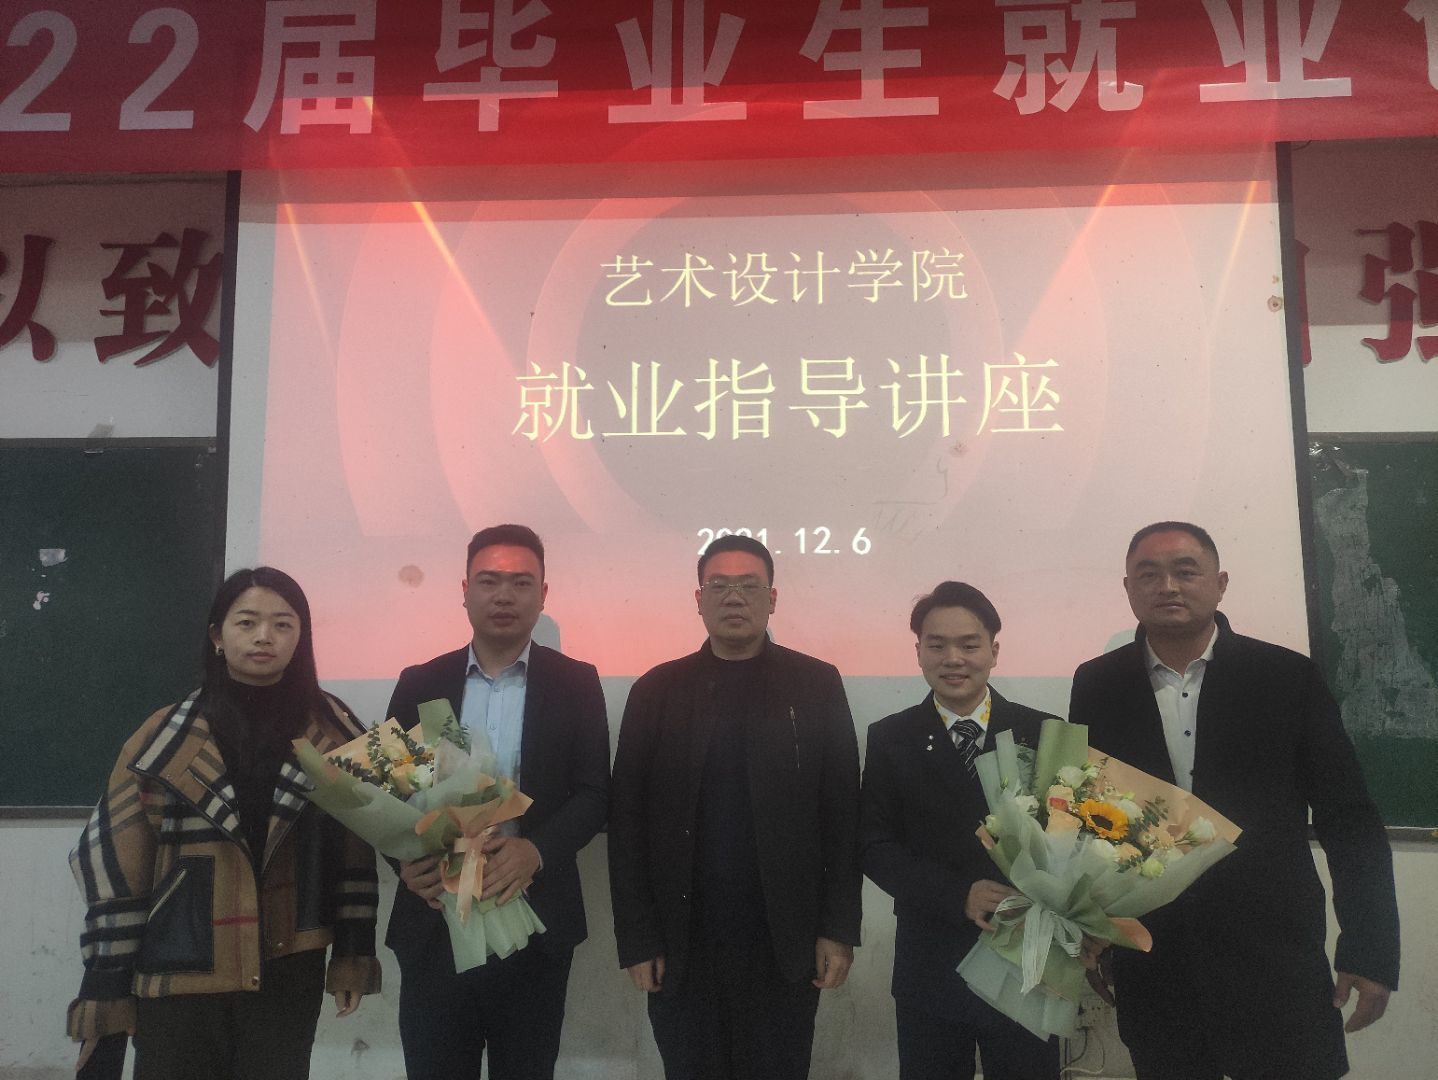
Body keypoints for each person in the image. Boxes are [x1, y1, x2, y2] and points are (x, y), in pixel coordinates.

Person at [1068, 521, 1400, 1080]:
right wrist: (1090, 928)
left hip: (1272, 951)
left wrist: (1369, 948)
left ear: (1220, 584)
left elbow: (1348, 818)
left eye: (1185, 571)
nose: (1167, 586)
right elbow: (1087, 818)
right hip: (1154, 957)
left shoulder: (1286, 676)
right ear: (1127, 588)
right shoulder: (1097, 683)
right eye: (1148, 574)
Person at [67, 567, 381, 1080]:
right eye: (247, 622)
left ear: (301, 637)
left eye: (283, 624)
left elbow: (357, 846)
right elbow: (119, 858)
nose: (264, 636)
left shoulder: (333, 728)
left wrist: (353, 948)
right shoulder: (162, 736)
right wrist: (107, 978)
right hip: (179, 964)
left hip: (288, 964)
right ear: (217, 634)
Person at [608, 534, 862, 1080]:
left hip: (786, 940)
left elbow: (842, 816)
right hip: (681, 942)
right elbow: (626, 824)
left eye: (749, 585)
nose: (734, 597)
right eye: (719, 585)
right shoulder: (656, 691)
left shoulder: (816, 684)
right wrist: (637, 937)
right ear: (698, 599)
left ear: (773, 599)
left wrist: (838, 929)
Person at [385, 523, 610, 1080]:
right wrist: (407, 864)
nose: (504, 595)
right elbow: (389, 792)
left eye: (520, 582)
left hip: (534, 920)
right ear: (464, 590)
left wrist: (536, 851)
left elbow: (595, 793)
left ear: (543, 594)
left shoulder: (576, 683)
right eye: (488, 581)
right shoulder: (421, 682)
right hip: (435, 922)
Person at [860, 581, 1061, 1080]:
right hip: (932, 961)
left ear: (994, 650)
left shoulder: (1043, 731)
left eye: (969, 645)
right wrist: (958, 895)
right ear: (919, 652)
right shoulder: (891, 737)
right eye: (937, 645)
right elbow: (874, 844)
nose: (953, 659)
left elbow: (1070, 838)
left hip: (1025, 959)